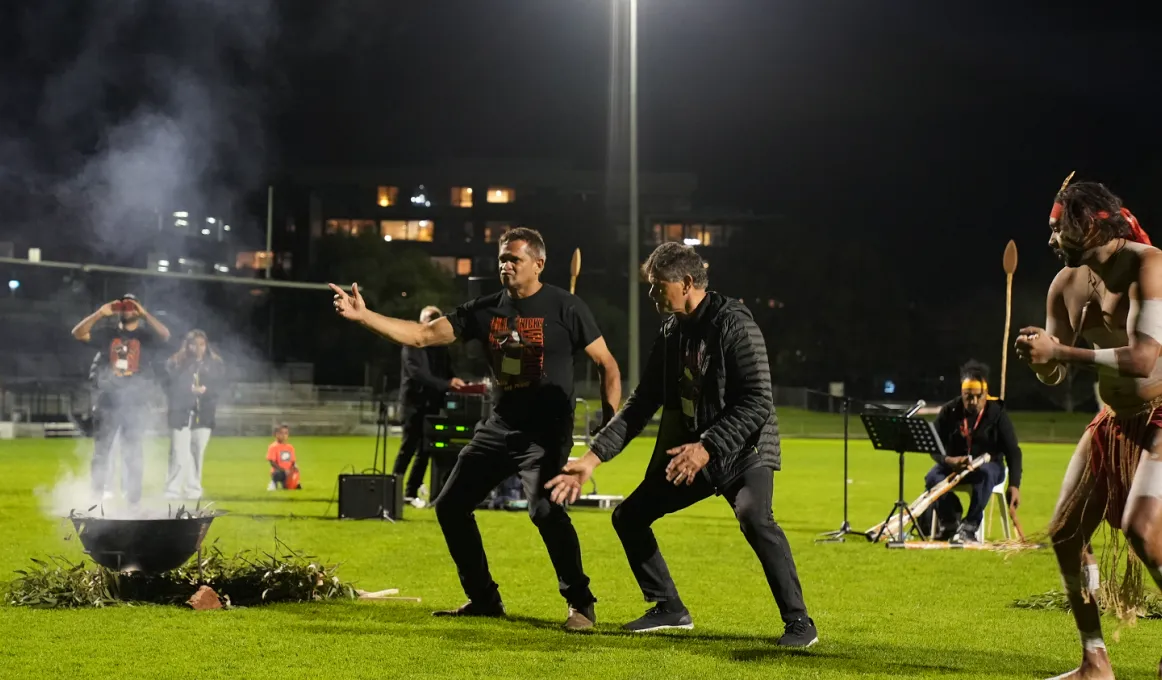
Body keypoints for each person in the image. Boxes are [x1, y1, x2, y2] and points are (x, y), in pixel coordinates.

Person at [329, 227, 621, 631]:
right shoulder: (484, 310)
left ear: (538, 263)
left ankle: (581, 605)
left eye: (514, 259)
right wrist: (364, 316)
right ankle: (484, 599)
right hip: (499, 427)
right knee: (449, 506)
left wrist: (609, 421)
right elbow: (422, 335)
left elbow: (607, 364)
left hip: (545, 432)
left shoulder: (566, 307)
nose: (505, 265)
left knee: (544, 510)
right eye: (502, 258)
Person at [544, 242, 817, 646]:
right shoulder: (672, 330)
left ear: (687, 283)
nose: (653, 295)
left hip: (745, 451)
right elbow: (641, 404)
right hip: (694, 455)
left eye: (658, 286)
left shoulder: (734, 324)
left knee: (754, 518)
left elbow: (759, 401)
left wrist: (706, 445)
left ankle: (799, 623)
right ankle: (668, 607)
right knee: (630, 517)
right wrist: (591, 460)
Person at [1015, 174, 1162, 680]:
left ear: (1092, 227)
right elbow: (1055, 373)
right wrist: (1041, 360)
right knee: (1065, 532)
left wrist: (1061, 352)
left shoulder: (1151, 265)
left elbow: (1144, 359)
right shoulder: (1066, 284)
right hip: (1113, 420)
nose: (1052, 240)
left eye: (1060, 230)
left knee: (1144, 534)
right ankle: (1094, 662)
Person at [71, 293, 171, 504]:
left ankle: (133, 498)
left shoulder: (145, 335)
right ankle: (96, 496)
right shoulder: (108, 334)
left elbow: (165, 335)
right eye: (124, 306)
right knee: (102, 451)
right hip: (109, 400)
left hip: (136, 401)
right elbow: (78, 333)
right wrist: (100, 313)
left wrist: (145, 314)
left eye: (132, 306)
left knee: (133, 452)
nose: (128, 309)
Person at [924, 360, 1022, 543]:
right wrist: (949, 460)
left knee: (985, 473)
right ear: (962, 393)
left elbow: (1013, 451)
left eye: (979, 396)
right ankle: (950, 520)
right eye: (968, 396)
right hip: (956, 467)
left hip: (988, 468)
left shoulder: (997, 413)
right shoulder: (949, 411)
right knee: (931, 477)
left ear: (986, 394)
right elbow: (933, 446)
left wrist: (1014, 484)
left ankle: (970, 527)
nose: (974, 402)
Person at [394, 305, 466, 507]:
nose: (430, 322)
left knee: (425, 450)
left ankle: (410, 492)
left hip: (432, 404)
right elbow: (419, 375)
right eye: (428, 318)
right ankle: (393, 489)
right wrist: (446, 384)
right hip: (413, 404)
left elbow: (448, 371)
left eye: (435, 318)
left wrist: (458, 382)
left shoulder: (441, 347)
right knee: (408, 448)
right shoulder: (411, 344)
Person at [164, 329, 225, 500]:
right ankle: (172, 489)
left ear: (206, 346)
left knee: (196, 453)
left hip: (204, 415)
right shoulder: (176, 362)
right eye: (193, 344)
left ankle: (193, 488)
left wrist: (206, 390)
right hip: (180, 414)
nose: (197, 348)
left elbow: (219, 386)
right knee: (178, 452)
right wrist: (187, 390)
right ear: (187, 345)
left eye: (201, 344)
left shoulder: (215, 364)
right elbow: (168, 386)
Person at [267, 424, 300, 490]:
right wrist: (283, 470)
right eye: (281, 433)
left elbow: (293, 461)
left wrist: (295, 466)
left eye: (286, 433)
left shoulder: (290, 447)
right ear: (276, 434)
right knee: (277, 474)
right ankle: (273, 483)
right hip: (279, 471)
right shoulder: (273, 446)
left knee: (289, 486)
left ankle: (293, 483)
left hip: (289, 472)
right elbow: (272, 462)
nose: (284, 435)